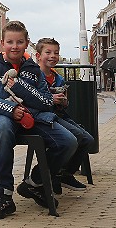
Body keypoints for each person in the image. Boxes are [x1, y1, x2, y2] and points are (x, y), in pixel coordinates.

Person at [0, 20, 78, 220]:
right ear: (2, 43)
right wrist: (10, 109)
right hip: (1, 118)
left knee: (69, 142)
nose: (15, 46)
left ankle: (35, 183)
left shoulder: (34, 70)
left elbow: (47, 101)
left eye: (19, 42)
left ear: (26, 42)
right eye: (10, 42)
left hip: (34, 119)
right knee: (2, 129)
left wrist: (21, 88)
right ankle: (3, 196)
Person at [35, 38, 94, 193]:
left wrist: (64, 101)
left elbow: (65, 103)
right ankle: (46, 176)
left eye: (56, 53)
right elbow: (31, 99)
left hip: (58, 114)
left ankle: (65, 174)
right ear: (38, 56)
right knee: (74, 138)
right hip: (44, 116)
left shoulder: (58, 78)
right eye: (48, 52)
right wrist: (50, 99)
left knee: (87, 138)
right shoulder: (33, 76)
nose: (53, 56)